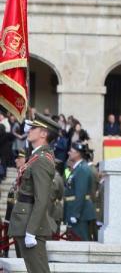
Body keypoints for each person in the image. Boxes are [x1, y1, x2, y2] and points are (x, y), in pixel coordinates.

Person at [12, 113, 58, 273]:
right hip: (25, 220)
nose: (28, 130)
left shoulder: (42, 159)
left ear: (44, 134)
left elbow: (42, 199)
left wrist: (31, 231)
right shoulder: (36, 156)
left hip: (30, 225)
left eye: (33, 128)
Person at [63, 142, 96, 241]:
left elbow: (80, 193)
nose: (69, 153)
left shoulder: (82, 169)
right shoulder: (77, 168)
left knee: (81, 241)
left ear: (78, 153)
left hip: (81, 214)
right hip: (75, 210)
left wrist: (75, 214)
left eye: (71, 151)